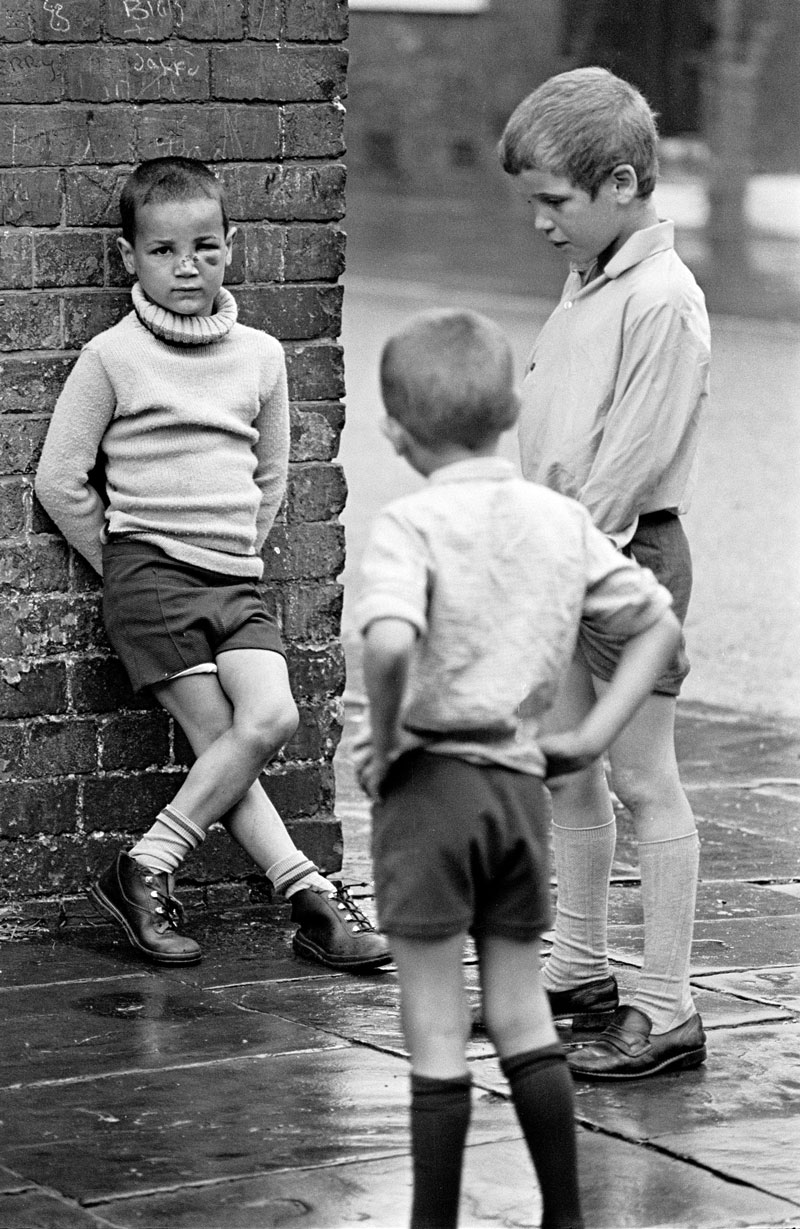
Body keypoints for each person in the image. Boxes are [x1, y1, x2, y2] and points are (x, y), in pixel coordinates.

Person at [354, 308, 682, 1229]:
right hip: (517, 791)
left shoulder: (409, 525)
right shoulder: (560, 520)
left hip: (428, 792)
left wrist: (385, 741)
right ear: (508, 417)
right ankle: (565, 1216)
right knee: (522, 1012)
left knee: (435, 1023)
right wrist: (587, 737)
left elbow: (386, 645)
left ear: (395, 430)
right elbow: (658, 625)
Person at [35, 156, 389, 974]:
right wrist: (122, 556)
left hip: (234, 579)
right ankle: (311, 903)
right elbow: (59, 477)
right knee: (221, 735)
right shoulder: (112, 357)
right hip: (151, 578)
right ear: (130, 257)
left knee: (268, 721)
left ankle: (145, 863)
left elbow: (270, 478)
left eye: (204, 246)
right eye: (162, 251)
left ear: (234, 244)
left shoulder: (260, 357)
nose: (186, 265)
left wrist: (236, 548)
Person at [497, 67, 710, 1079]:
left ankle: (665, 1009)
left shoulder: (660, 300)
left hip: (621, 564)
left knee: (640, 777)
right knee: (569, 767)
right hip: (561, 553)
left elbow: (623, 462)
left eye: (554, 201)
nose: (540, 222)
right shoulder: (589, 279)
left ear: (620, 182)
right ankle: (578, 967)